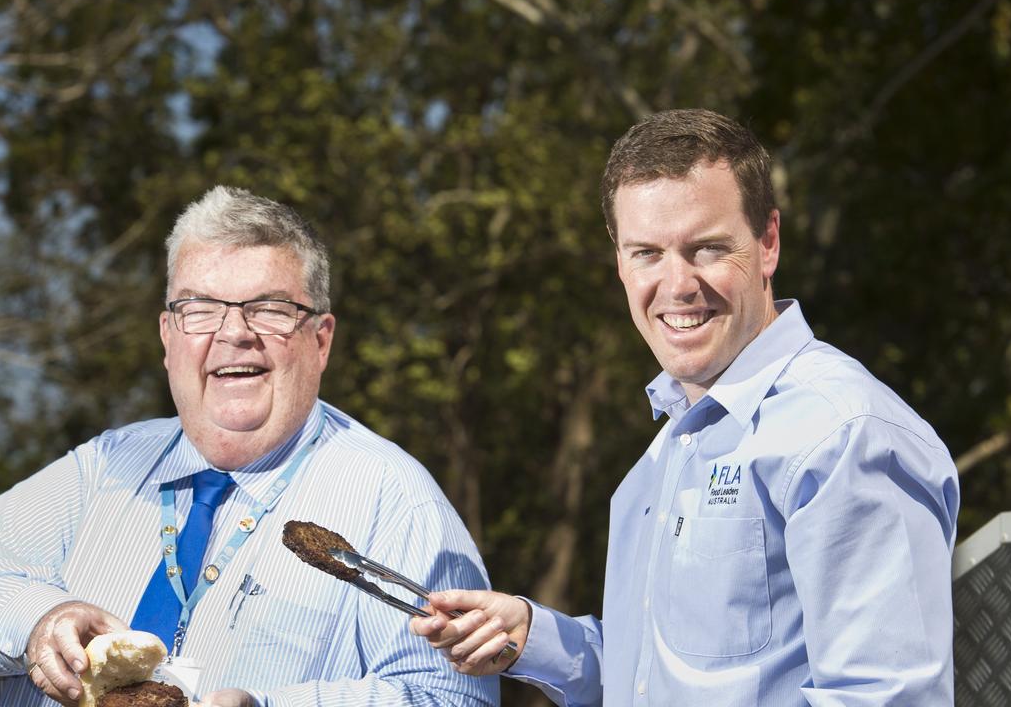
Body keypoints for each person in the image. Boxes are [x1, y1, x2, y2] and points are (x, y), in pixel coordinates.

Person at [410, 109, 959, 705]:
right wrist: (531, 635)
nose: (677, 285)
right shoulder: (670, 445)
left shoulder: (844, 433)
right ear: (619, 260)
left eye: (706, 248)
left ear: (768, 242)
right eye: (647, 253)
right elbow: (653, 675)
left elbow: (887, 696)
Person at [0, 186, 499, 707]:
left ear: (320, 341)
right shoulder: (108, 464)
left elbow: (448, 695)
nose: (234, 333)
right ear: (168, 337)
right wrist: (36, 619)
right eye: (201, 309)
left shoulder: (392, 496)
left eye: (269, 309)